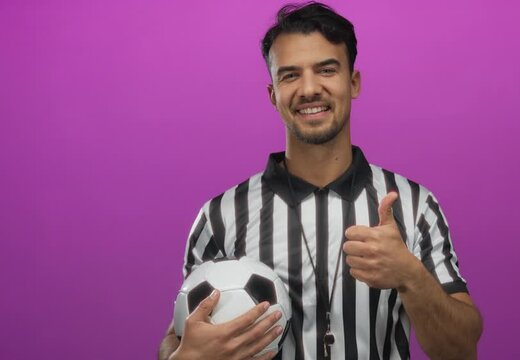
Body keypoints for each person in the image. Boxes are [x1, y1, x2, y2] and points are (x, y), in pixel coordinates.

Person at [158, 3, 482, 360]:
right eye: (290, 75)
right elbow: (178, 338)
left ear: (353, 82)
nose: (309, 89)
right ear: (273, 95)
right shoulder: (220, 215)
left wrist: (411, 277)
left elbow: (461, 350)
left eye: (326, 70)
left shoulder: (414, 204)